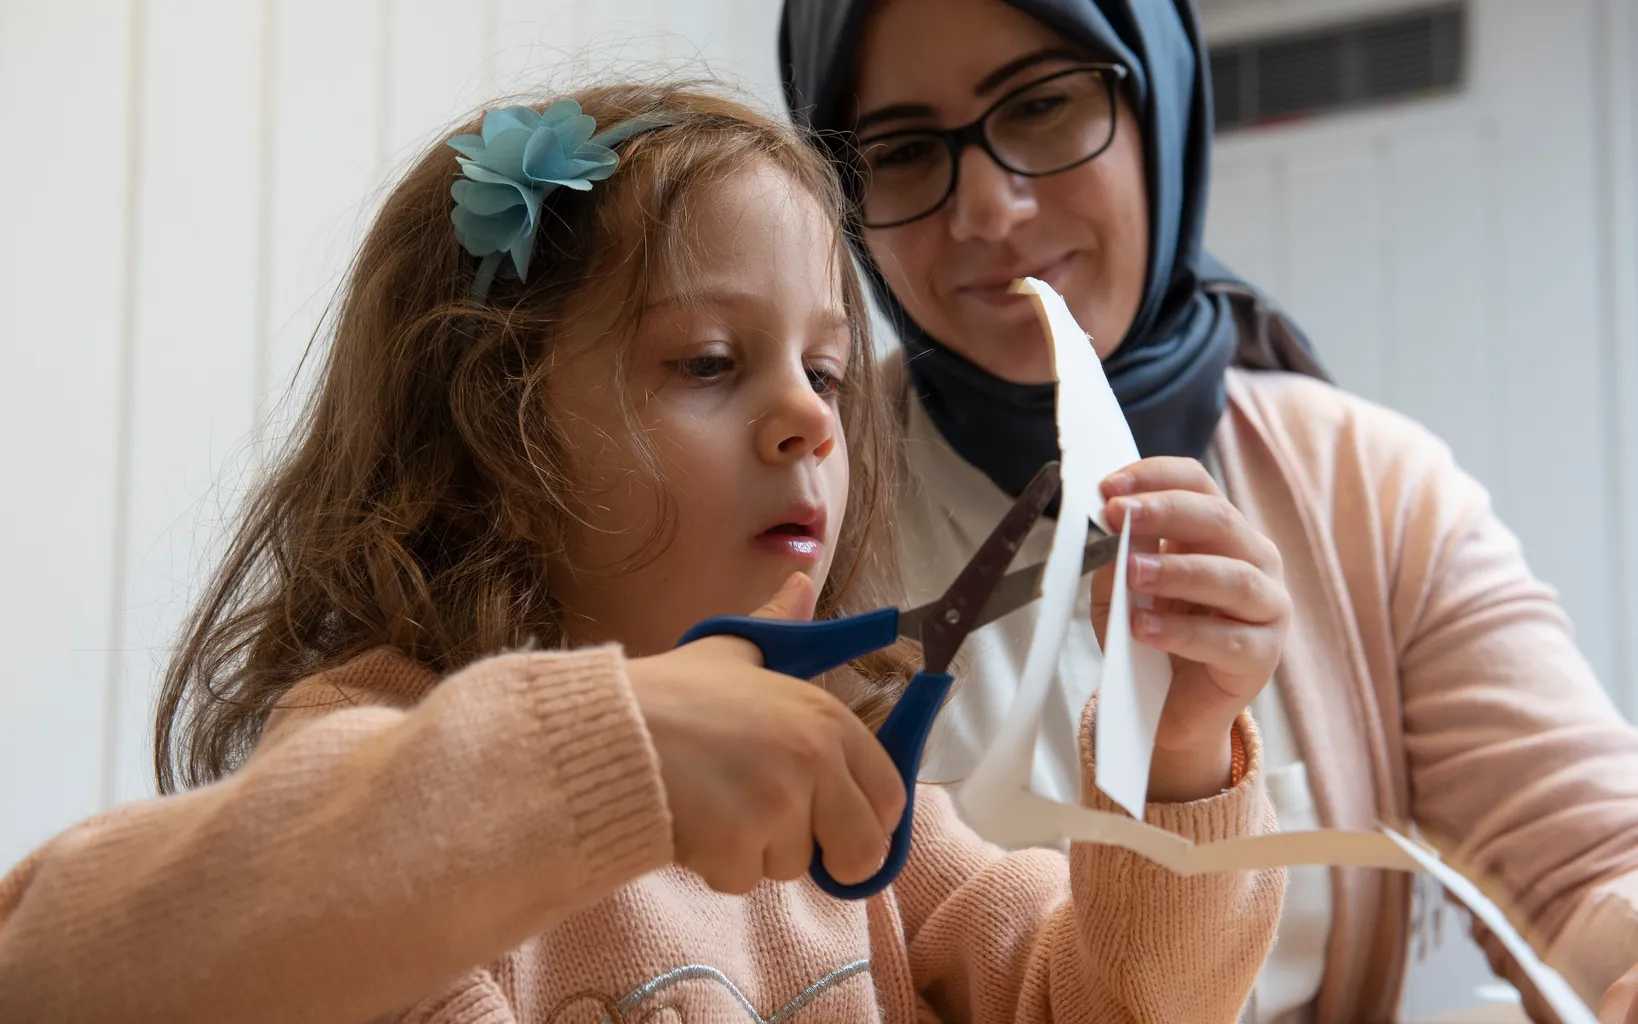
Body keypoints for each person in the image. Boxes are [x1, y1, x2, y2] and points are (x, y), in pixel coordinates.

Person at [0, 82, 1291, 1022]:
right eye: (710, 364)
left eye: (829, 373)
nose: (809, 416)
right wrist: (607, 752)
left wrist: (1169, 760)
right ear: (488, 448)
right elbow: (49, 974)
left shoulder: (858, 808)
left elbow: (1118, 1007)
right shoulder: (387, 774)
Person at [776, 0, 1638, 1021]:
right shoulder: (793, 500)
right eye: (908, 151)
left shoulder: (1368, 488)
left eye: (1043, 106)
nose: (991, 210)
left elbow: (1585, 856)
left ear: (1161, 103)